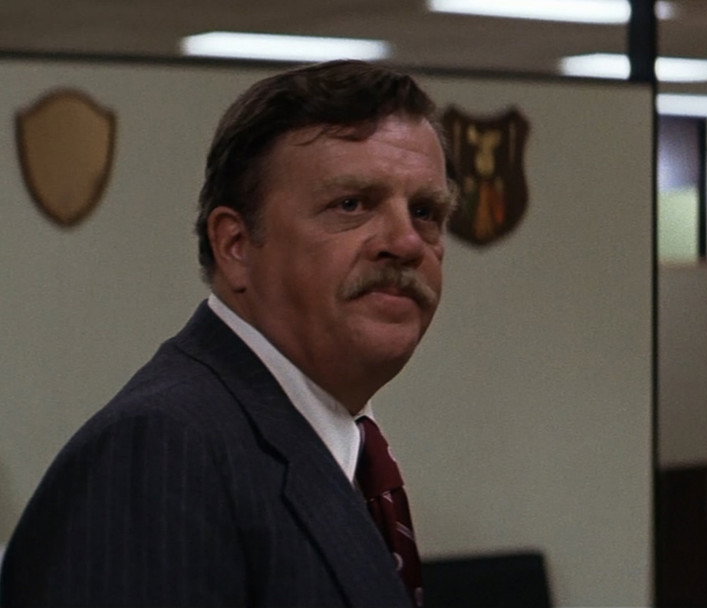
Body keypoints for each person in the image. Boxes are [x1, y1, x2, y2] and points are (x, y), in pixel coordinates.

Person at [0, 60, 455, 607]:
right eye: (351, 204)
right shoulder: (162, 452)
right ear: (235, 246)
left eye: (425, 211)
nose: (405, 243)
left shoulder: (338, 446)